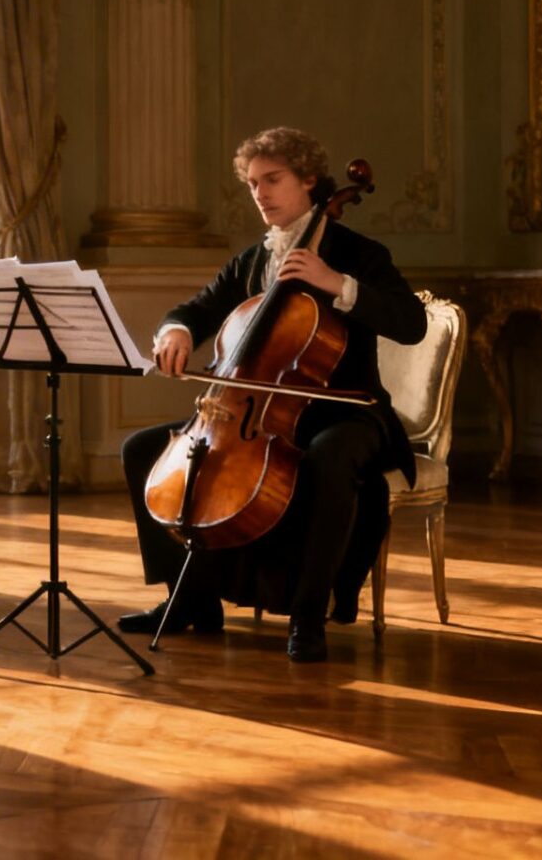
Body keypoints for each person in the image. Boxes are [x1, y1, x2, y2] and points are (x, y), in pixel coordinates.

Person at [117, 126, 427, 663]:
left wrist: (338, 285)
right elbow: (195, 309)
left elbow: (411, 323)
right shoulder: (252, 261)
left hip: (346, 411)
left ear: (310, 180)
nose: (260, 193)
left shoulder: (358, 253)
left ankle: (309, 617)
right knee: (143, 449)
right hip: (258, 415)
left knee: (328, 460)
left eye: (273, 179)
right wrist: (175, 332)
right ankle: (189, 599)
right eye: (252, 183)